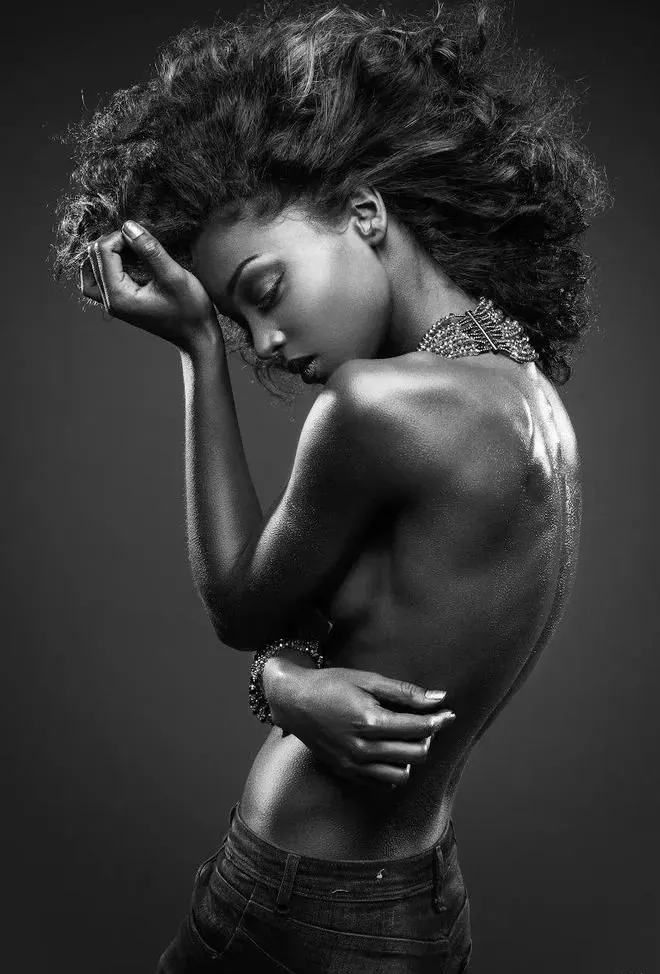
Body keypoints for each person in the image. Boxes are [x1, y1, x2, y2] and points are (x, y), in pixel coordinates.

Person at [52, 0, 609, 970]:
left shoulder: (377, 408)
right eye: (235, 323)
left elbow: (240, 603)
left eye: (262, 291)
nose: (265, 342)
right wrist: (289, 678)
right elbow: (349, 623)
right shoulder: (523, 399)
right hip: (404, 901)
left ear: (365, 212)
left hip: (302, 910)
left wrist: (197, 350)